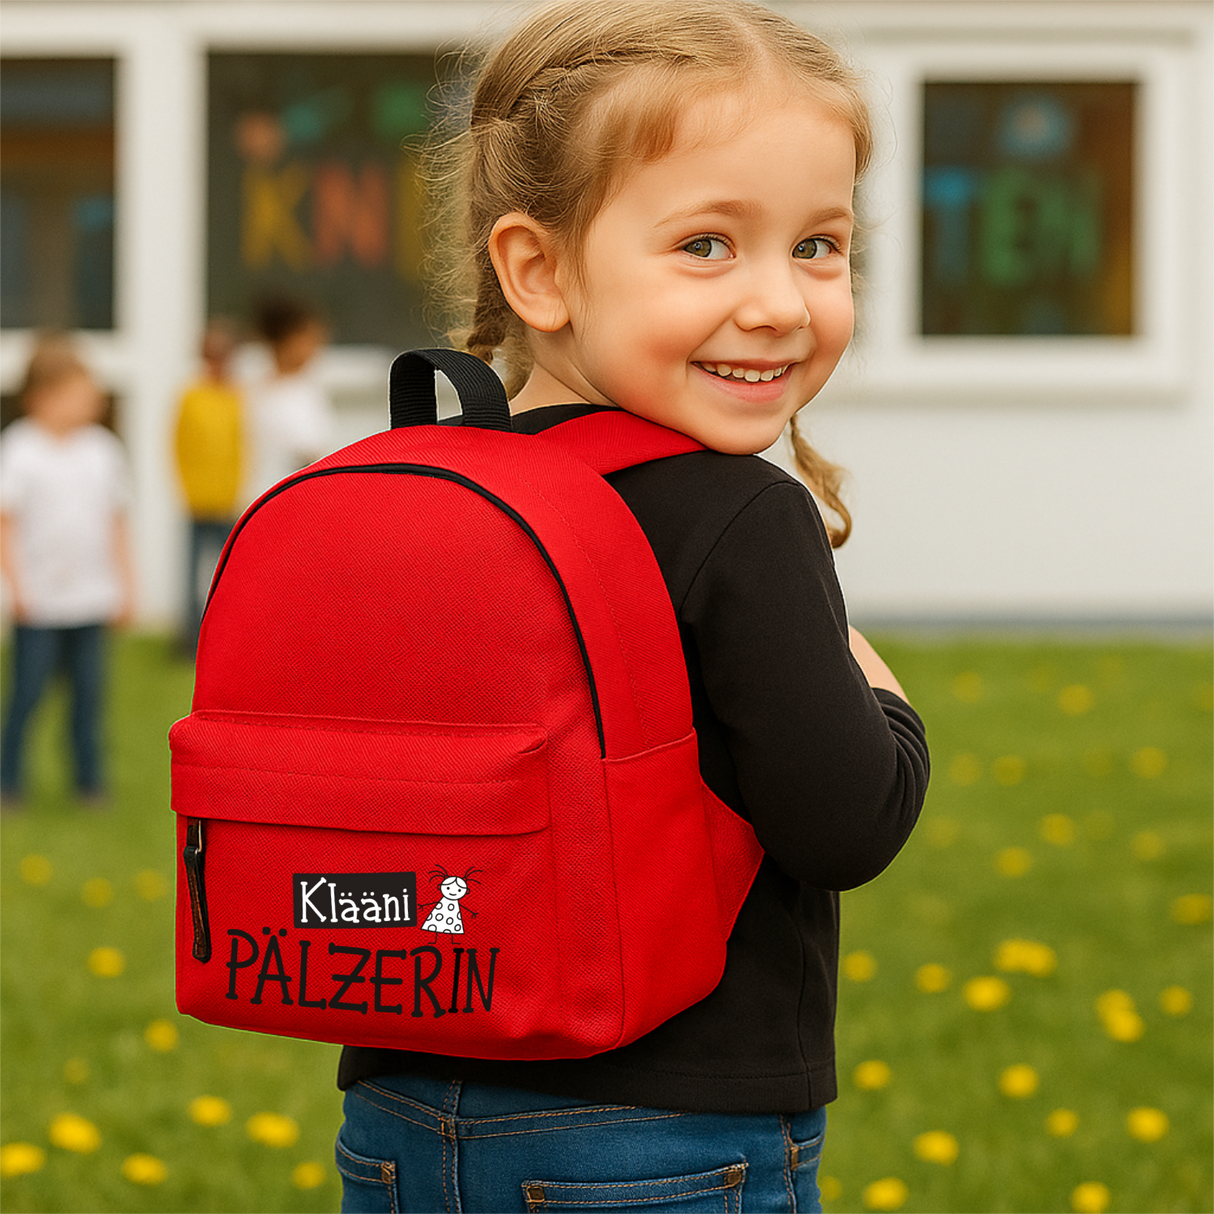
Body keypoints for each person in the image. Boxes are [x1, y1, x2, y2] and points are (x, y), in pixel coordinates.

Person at [334, 2, 930, 1210]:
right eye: (707, 245)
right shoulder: (737, 516)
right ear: (538, 269)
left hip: (402, 1100)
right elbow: (844, 822)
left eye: (818, 246)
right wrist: (881, 695)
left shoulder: (438, 488)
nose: (776, 301)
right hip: (662, 1129)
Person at [0, 335, 134, 809]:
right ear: (44, 396)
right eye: (81, 392)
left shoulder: (102, 451)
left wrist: (125, 585)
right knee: (28, 695)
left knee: (88, 700)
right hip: (39, 602)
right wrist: (16, 586)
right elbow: (6, 524)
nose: (93, 401)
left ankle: (89, 784)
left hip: (90, 599)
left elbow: (116, 523)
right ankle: (8, 781)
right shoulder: (19, 449)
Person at [173, 317, 245, 654]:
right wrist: (188, 489)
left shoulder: (236, 397)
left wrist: (236, 489)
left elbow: (241, 446)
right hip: (197, 499)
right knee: (190, 572)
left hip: (226, 498)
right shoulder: (192, 396)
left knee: (229, 572)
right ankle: (188, 635)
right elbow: (178, 446)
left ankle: (227, 632)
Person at [245, 294, 335, 498]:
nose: (314, 349)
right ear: (286, 341)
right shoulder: (275, 395)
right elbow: (307, 455)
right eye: (308, 340)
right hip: (283, 500)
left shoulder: (303, 388)